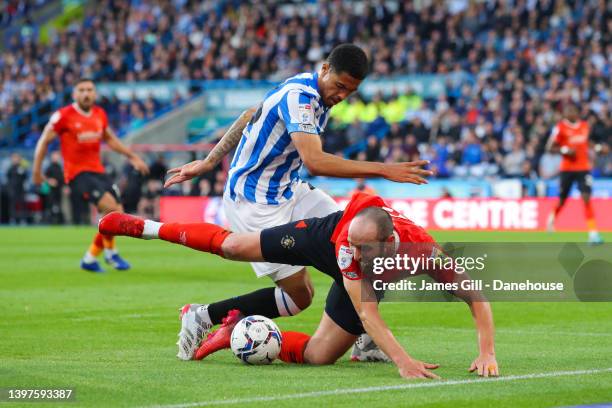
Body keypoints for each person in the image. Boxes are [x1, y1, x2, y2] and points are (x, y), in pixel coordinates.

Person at [162, 44, 433, 360]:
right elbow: (315, 161)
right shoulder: (300, 96)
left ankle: (363, 336)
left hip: (292, 191)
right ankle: (202, 316)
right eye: (340, 86)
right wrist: (384, 169)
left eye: (351, 91)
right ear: (324, 69)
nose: (342, 95)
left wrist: (209, 160)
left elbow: (251, 114)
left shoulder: (313, 92)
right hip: (255, 202)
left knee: (361, 241)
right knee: (300, 296)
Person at [99, 192, 499, 379]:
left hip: (366, 259)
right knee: (237, 247)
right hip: (322, 234)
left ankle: (234, 330)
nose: (352, 256)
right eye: (353, 248)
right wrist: (403, 361)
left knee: (320, 356)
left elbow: (474, 295)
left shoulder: (423, 250)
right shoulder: (348, 247)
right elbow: (367, 311)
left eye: (363, 250)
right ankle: (146, 228)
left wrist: (486, 352)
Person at [32, 78, 150, 272]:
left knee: (117, 212)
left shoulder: (99, 114)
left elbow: (110, 140)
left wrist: (132, 157)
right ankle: (111, 254)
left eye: (89, 90)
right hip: (77, 174)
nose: (86, 94)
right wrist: (37, 172)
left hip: (98, 171)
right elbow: (44, 141)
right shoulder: (63, 116)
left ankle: (90, 258)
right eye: (82, 90)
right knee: (111, 209)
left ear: (95, 93)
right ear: (74, 94)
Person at [546, 104, 603, 244]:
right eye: (566, 110)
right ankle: (551, 219)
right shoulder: (560, 127)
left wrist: (597, 147)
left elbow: (586, 143)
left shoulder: (584, 125)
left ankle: (593, 233)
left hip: (583, 168)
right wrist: (564, 150)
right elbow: (550, 147)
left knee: (586, 197)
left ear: (576, 112)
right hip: (567, 169)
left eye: (571, 110)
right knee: (562, 199)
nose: (568, 112)